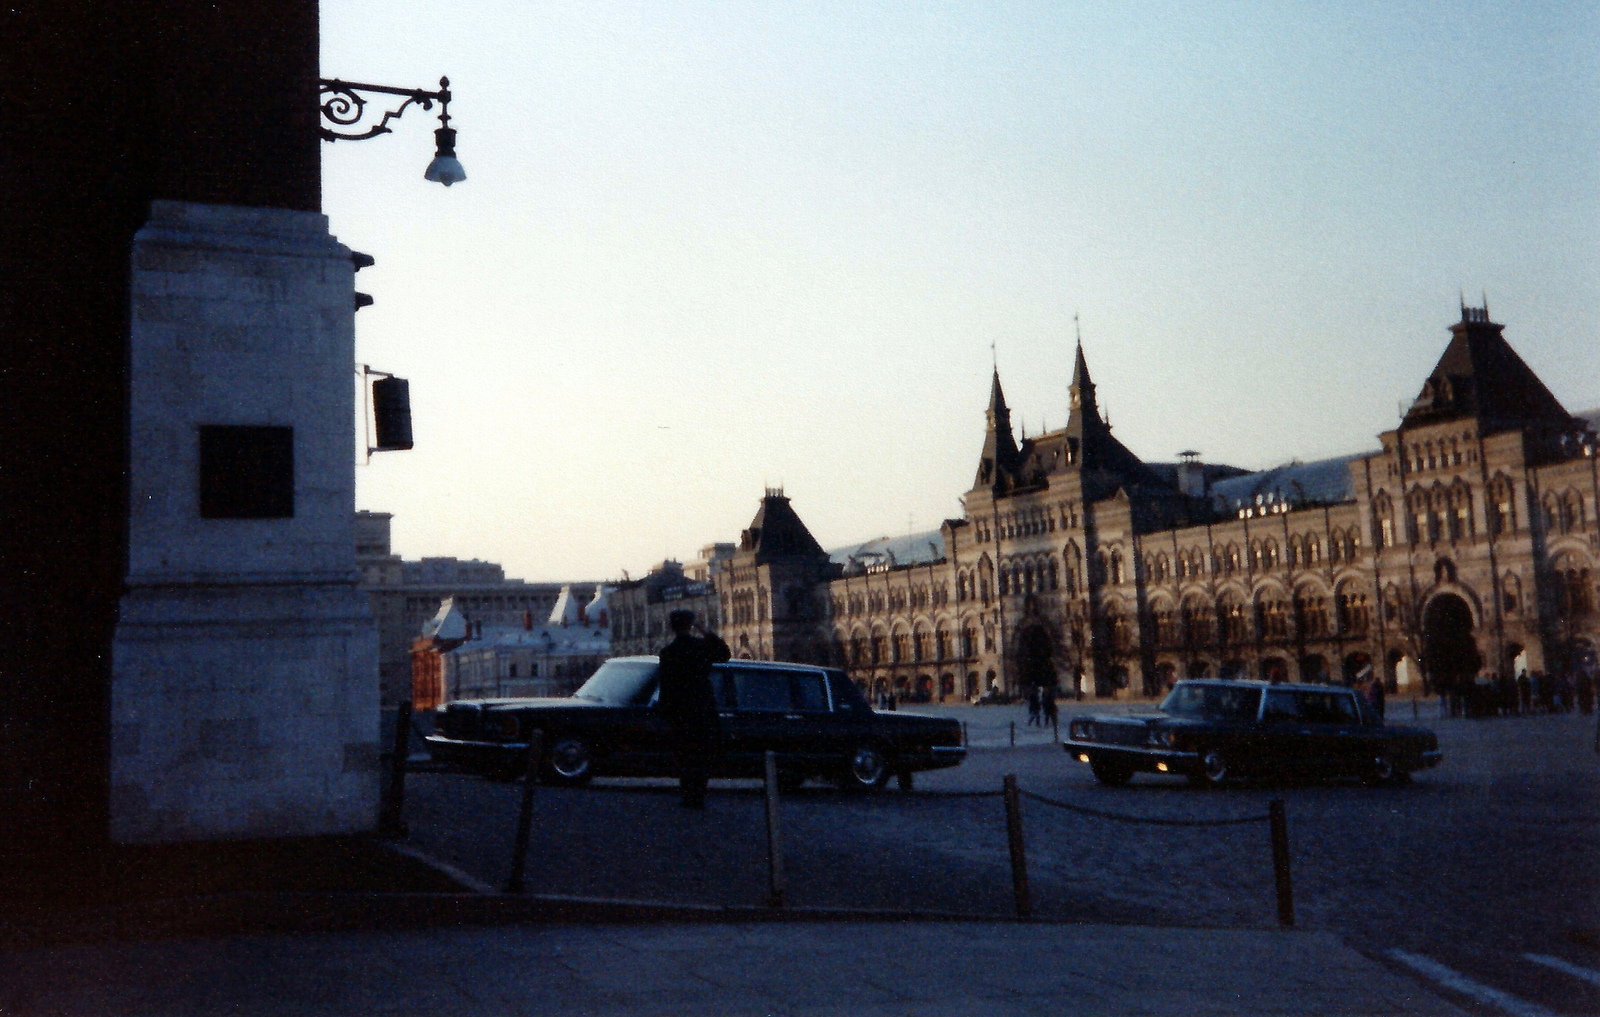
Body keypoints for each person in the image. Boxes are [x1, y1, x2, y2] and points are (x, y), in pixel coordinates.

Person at [657, 610, 731, 809]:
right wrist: (706, 632)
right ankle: (698, 794)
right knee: (702, 754)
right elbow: (724, 654)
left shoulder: (667, 653)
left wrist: (665, 712)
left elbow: (666, 685)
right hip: (702, 708)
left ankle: (688, 794)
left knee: (684, 754)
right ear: (691, 625)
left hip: (680, 711)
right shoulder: (701, 647)